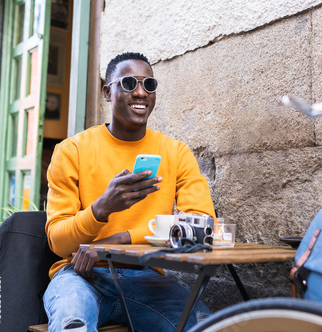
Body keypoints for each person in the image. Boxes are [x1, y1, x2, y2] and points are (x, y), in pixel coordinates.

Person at [43, 52, 215, 332]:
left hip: (145, 277)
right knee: (71, 323)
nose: (140, 92)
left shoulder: (175, 153)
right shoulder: (72, 151)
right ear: (107, 92)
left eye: (149, 85)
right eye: (128, 83)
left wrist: (117, 241)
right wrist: (101, 209)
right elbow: (59, 244)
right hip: (80, 276)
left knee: (207, 326)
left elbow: (203, 226)